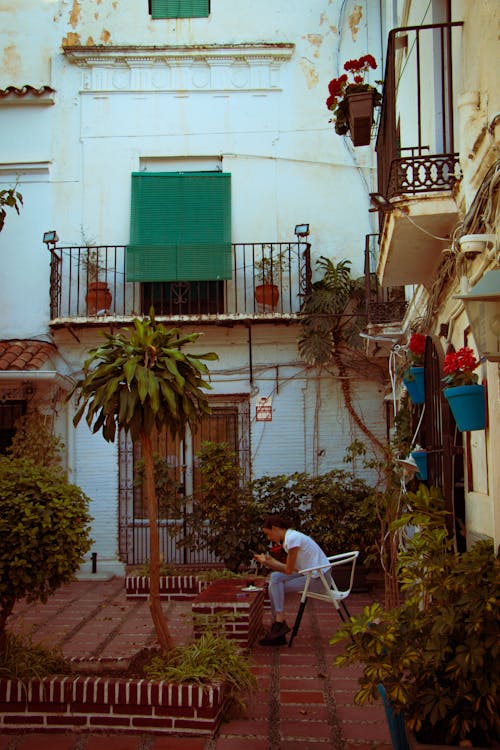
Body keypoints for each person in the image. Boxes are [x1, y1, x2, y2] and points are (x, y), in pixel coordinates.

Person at [253, 514, 332, 646]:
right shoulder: (290, 538)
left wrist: (269, 563)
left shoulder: (292, 539)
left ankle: (278, 625)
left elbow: (289, 570)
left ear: (275, 528)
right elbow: (295, 568)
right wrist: (270, 562)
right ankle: (278, 625)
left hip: (319, 580)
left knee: (276, 586)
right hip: (308, 573)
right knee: (275, 578)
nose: (269, 538)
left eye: (268, 534)